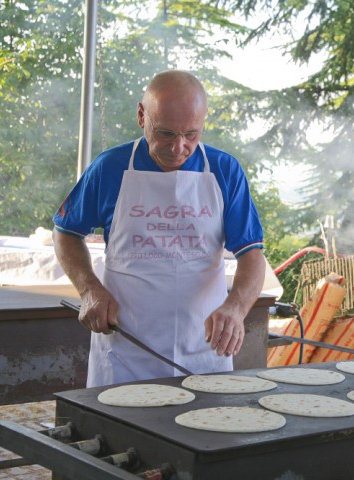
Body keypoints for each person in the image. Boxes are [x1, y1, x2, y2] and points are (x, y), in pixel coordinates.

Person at [53, 70, 266, 388]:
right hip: (126, 350)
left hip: (204, 351)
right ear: (142, 115)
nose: (178, 147)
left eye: (191, 135)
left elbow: (252, 253)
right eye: (165, 133)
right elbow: (66, 232)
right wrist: (89, 290)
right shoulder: (110, 167)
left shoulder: (225, 171)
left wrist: (236, 309)